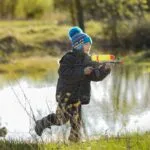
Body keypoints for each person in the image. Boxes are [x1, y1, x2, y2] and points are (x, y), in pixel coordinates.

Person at [34, 26, 111, 142]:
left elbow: (95, 76)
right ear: (79, 45)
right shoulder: (68, 58)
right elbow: (64, 73)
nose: (89, 47)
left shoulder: (88, 60)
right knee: (61, 119)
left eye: (90, 45)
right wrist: (82, 72)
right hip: (66, 96)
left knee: (77, 122)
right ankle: (41, 123)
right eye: (87, 44)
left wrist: (105, 70)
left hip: (78, 96)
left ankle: (75, 141)